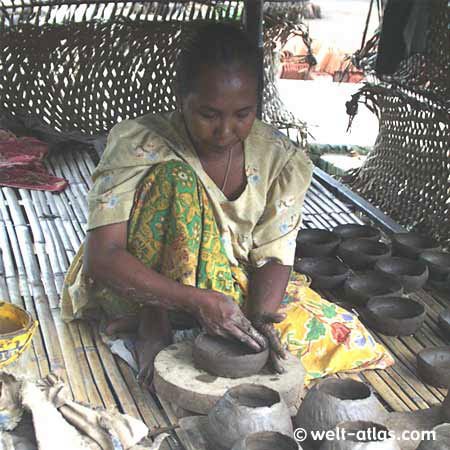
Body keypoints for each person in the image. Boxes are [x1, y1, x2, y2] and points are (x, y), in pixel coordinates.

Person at [61, 23, 393, 385]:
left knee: (341, 336)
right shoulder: (137, 143)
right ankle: (154, 319)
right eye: (208, 114)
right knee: (176, 181)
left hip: (224, 282)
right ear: (181, 100)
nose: (225, 131)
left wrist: (259, 320)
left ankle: (191, 317)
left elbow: (274, 253)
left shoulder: (281, 159)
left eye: (242, 114)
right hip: (137, 283)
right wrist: (196, 301)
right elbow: (103, 256)